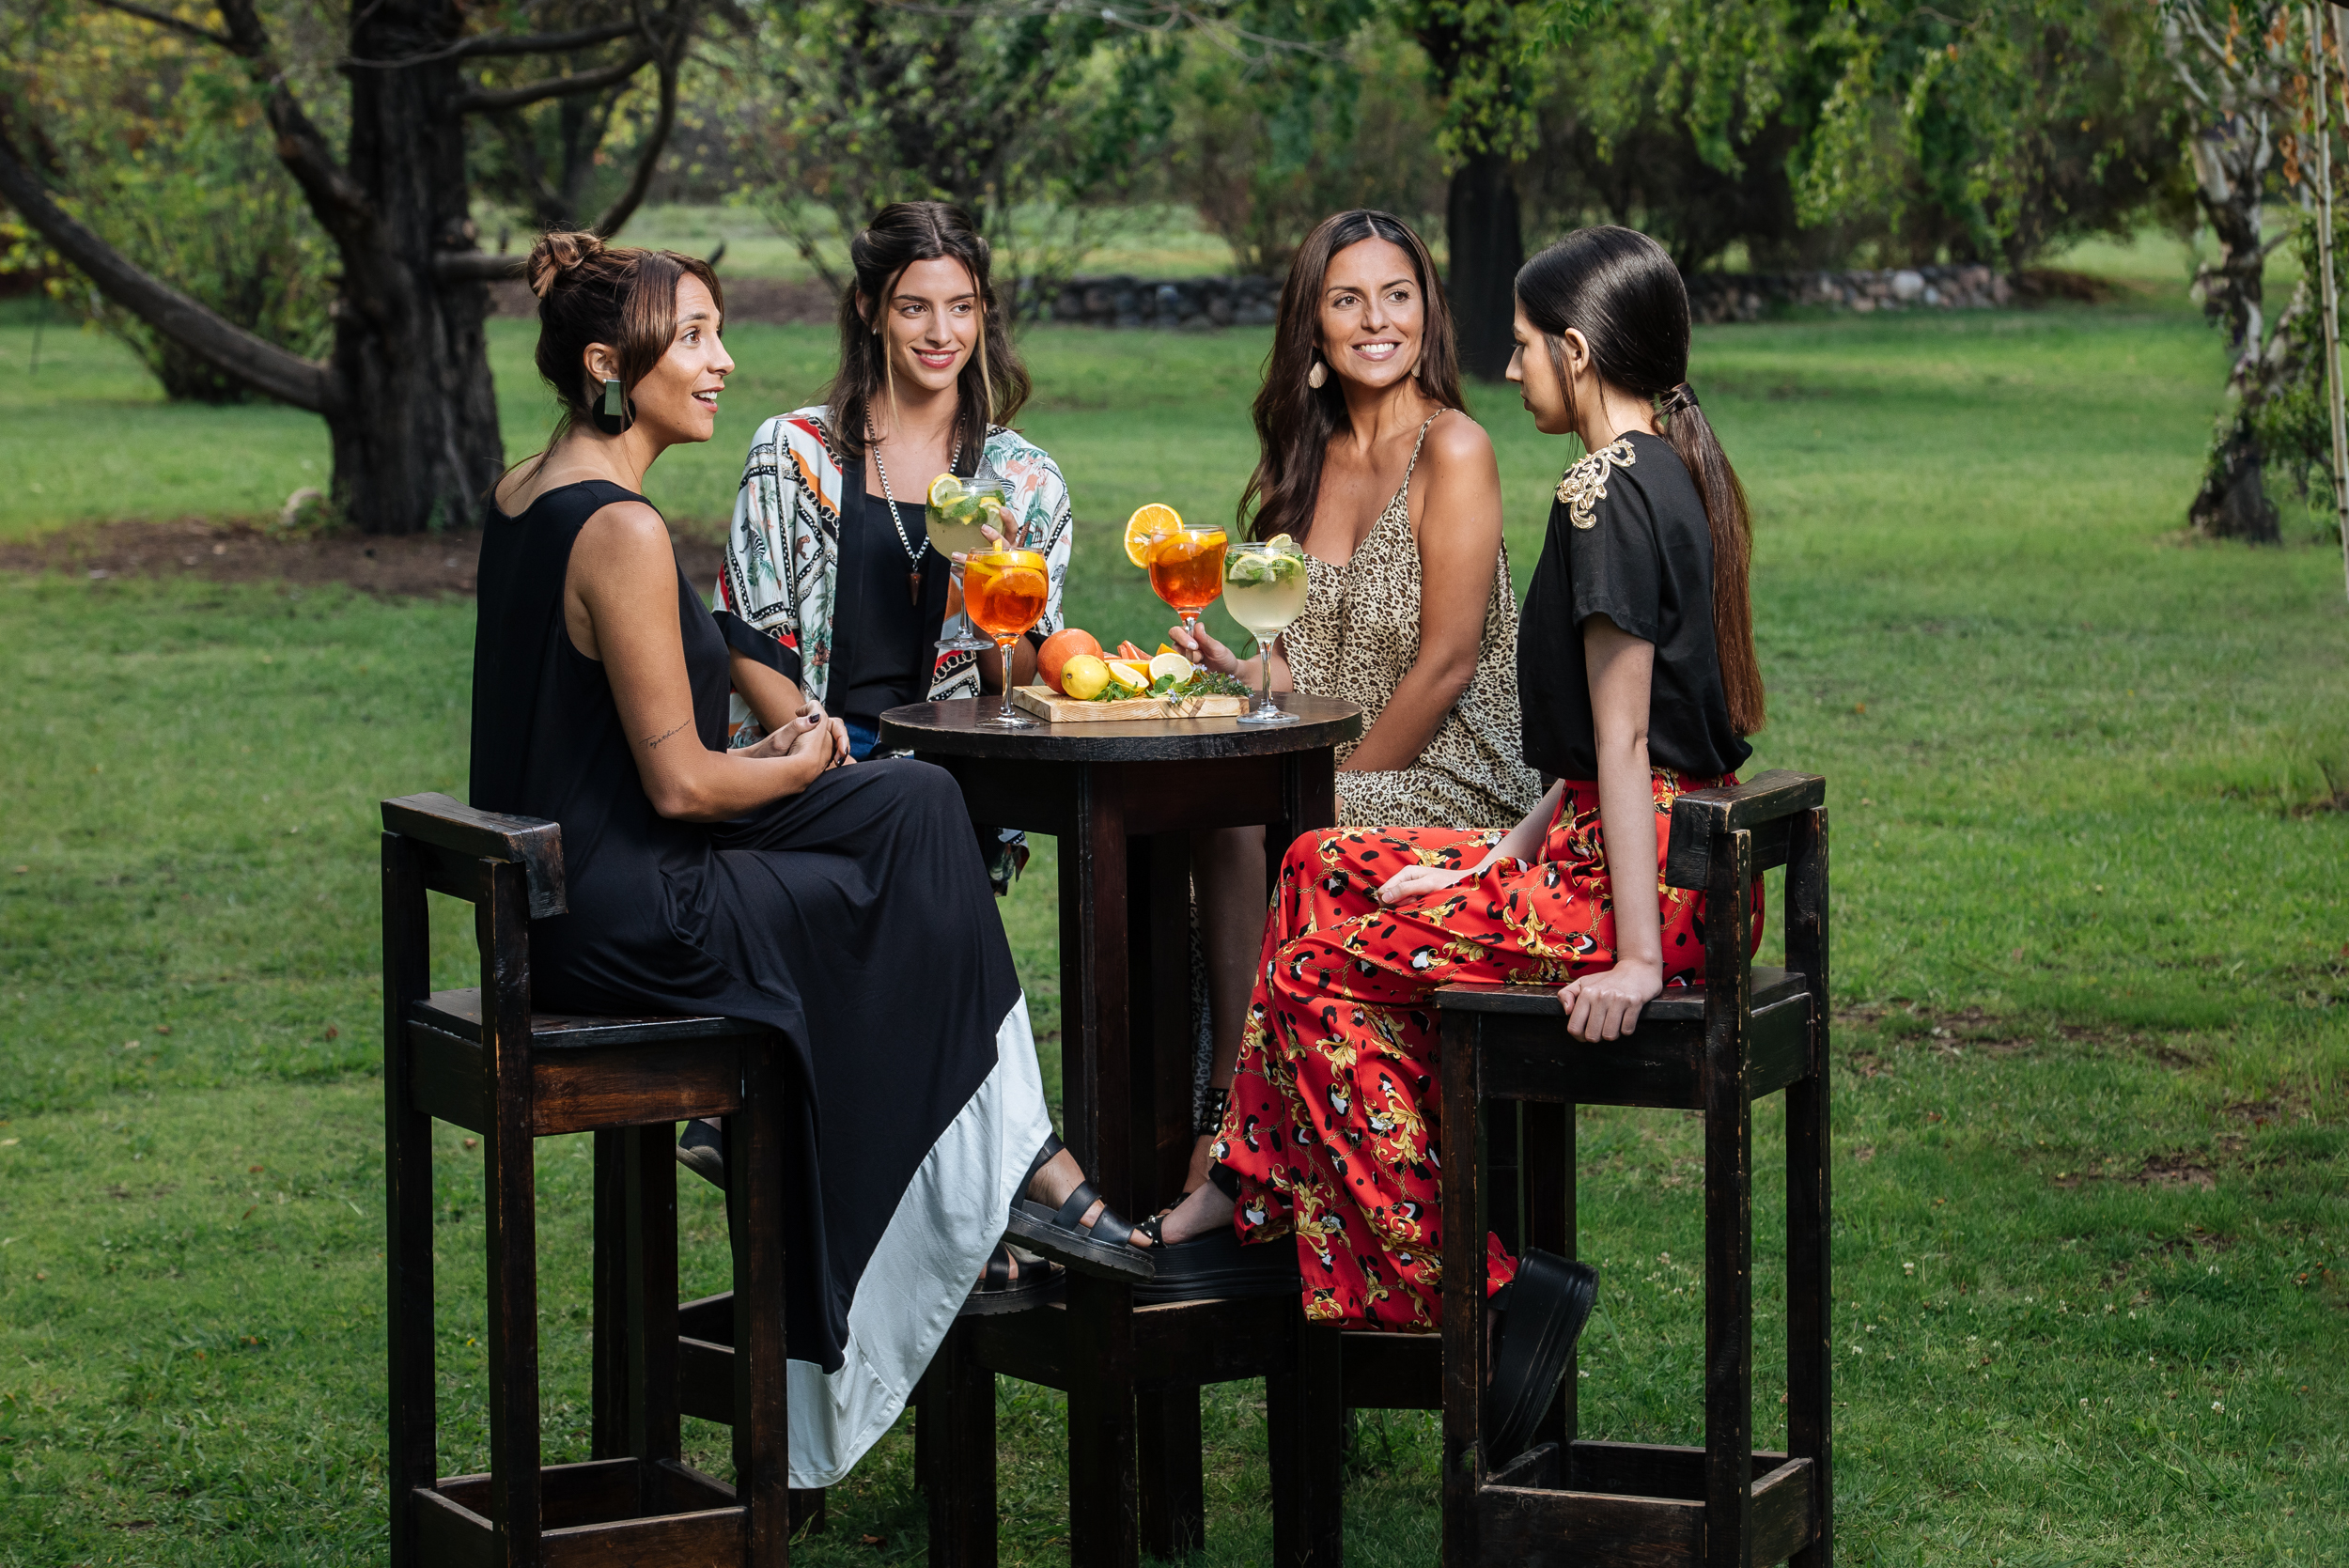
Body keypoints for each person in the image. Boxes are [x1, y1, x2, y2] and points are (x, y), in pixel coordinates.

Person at [471, 231, 1150, 1492]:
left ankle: (1013, 1159)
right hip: (629, 911)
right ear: (612, 365)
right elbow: (683, 783)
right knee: (882, 896)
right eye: (694, 338)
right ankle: (1009, 1175)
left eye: (718, 332)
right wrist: (802, 757)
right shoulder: (618, 528)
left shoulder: (528, 487)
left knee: (920, 806)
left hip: (586, 882)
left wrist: (808, 756)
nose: (722, 361)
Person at [1149, 225, 1768, 1462]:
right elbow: (1590, 758)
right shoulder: (1645, 468)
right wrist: (1500, 852)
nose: (1511, 362)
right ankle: (1253, 1183)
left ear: (1577, 353)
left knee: (1314, 970)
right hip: (1590, 850)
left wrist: (1637, 961)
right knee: (1315, 863)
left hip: (1635, 890)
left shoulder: (1600, 496)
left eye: (1527, 345)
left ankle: (1481, 1297)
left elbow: (1628, 740)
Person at [1161, 210, 1543, 1206]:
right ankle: (1222, 1118)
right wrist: (1235, 670)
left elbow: (1446, 665)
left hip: (1457, 777)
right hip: (1336, 765)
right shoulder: (1307, 457)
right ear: (1313, 325)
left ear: (1428, 312)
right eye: (1347, 299)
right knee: (1197, 817)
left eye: (1397, 295)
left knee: (1261, 823)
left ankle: (1231, 1147)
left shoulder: (1454, 448)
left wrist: (1325, 790)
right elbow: (1301, 672)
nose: (1376, 320)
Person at [716, 200, 1072, 777]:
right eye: (914, 308)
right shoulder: (792, 452)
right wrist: (825, 763)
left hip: (956, 762)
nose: (941, 333)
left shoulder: (1028, 480)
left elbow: (1020, 683)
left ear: (983, 313)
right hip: (811, 761)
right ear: (870, 310)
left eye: (961, 307)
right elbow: (748, 636)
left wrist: (992, 592)